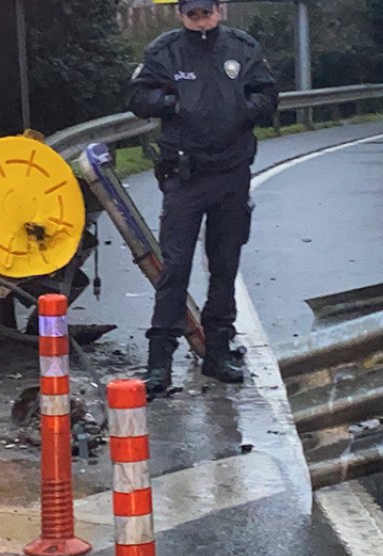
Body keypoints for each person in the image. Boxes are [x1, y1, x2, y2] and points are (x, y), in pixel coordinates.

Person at [128, 0, 278, 395]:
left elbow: (268, 96)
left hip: (231, 171)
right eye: (192, 15)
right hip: (185, 174)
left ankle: (218, 351)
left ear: (221, 10)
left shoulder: (242, 48)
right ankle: (159, 363)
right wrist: (175, 102)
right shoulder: (164, 51)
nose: (200, 21)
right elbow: (138, 98)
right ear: (180, 14)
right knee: (175, 267)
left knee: (225, 264)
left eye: (206, 13)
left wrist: (238, 110)